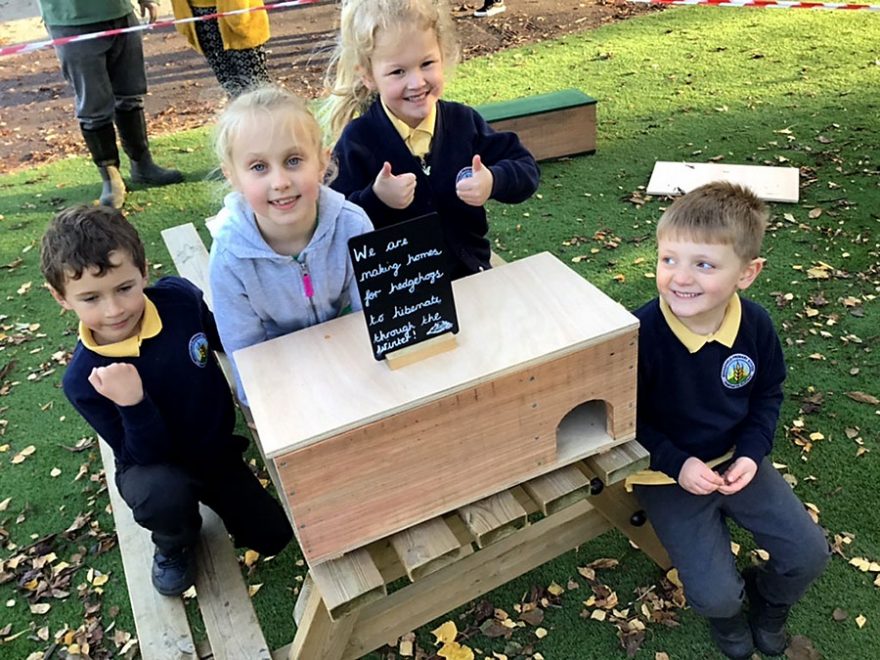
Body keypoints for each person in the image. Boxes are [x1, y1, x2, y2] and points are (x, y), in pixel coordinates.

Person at [40, 206, 292, 597]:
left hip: (215, 451)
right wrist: (134, 404)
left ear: (143, 271)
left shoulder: (178, 299)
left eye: (124, 288)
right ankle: (174, 539)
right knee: (162, 494)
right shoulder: (83, 380)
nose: (114, 309)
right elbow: (143, 454)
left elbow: (221, 333)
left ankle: (221, 496)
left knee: (274, 536)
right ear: (61, 297)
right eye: (90, 297)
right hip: (155, 465)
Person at [631, 182, 829, 659]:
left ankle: (768, 600)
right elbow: (625, 421)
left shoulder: (755, 325)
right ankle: (727, 621)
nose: (681, 277)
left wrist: (752, 452)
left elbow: (767, 392)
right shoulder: (640, 336)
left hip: (737, 461)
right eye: (669, 259)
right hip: (665, 473)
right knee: (716, 594)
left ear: (747, 273)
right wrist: (678, 464)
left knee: (808, 554)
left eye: (704, 264)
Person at [324, 0, 538, 280]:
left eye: (426, 64)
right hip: (402, 296)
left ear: (442, 55)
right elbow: (335, 225)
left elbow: (525, 167)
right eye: (398, 72)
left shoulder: (463, 122)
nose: (416, 82)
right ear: (368, 76)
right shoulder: (359, 140)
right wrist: (376, 199)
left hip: (471, 276)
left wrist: (493, 180)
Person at [208, 86, 374, 403]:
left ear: (322, 163)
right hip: (279, 361)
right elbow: (243, 345)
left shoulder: (353, 225)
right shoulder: (230, 257)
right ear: (233, 177)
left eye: (293, 160)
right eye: (259, 167)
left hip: (345, 343)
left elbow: (372, 312)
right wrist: (258, 404)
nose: (280, 181)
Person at [37, 1, 184, 209]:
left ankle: (142, 164)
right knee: (93, 106)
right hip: (72, 20)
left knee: (130, 94)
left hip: (120, 14)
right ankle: (110, 177)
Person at [170, 0, 272, 98]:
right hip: (199, 16)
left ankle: (270, 112)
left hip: (238, 11)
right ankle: (242, 112)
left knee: (255, 82)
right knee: (229, 83)